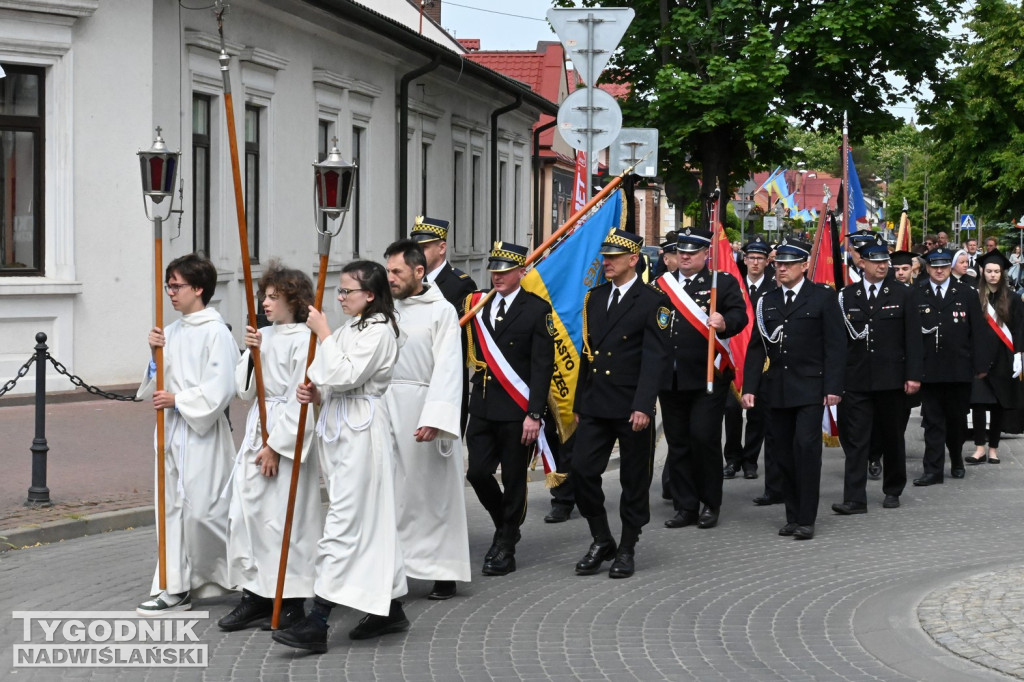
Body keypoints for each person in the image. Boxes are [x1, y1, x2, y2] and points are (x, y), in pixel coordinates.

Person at [272, 261, 408, 653]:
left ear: (370, 294)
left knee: (343, 522)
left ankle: (317, 620)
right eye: (340, 290)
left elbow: (348, 375)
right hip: (340, 427)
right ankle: (390, 609)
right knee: (365, 520)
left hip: (362, 433)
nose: (341, 297)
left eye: (348, 291)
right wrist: (316, 395)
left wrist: (324, 333)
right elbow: (328, 376)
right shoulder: (354, 327)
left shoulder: (380, 331)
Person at [220, 263, 323, 633]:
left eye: (273, 297)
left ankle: (290, 599)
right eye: (264, 296)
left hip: (284, 434)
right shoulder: (265, 336)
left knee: (283, 522)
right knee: (246, 515)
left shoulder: (305, 340)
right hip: (256, 433)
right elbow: (246, 391)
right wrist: (251, 355)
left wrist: (277, 447)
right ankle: (255, 594)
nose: (265, 303)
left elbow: (303, 400)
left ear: (294, 301)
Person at [136, 254, 237, 616]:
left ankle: (244, 573)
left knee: (204, 512)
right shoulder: (172, 331)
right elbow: (155, 380)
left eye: (176, 285)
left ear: (199, 288)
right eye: (168, 285)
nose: (170, 292)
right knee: (171, 509)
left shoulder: (216, 332)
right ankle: (173, 585)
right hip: (171, 430)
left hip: (202, 432)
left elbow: (222, 387)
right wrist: (154, 355)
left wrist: (179, 400)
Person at [572, 228, 667, 578]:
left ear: (632, 260)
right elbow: (587, 352)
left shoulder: (652, 301)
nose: (606, 262)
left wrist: (644, 405)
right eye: (605, 256)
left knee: (633, 480)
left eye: (613, 257)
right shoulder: (594, 298)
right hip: (596, 402)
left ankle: (627, 545)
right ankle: (601, 537)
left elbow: (655, 358)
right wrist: (580, 402)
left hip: (631, 406)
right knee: (581, 471)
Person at [382, 239, 471, 600]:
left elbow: (450, 367)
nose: (389, 278)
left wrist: (436, 416)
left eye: (397, 272)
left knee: (432, 495)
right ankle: (393, 568)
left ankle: (443, 571)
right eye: (387, 271)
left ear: (419, 272)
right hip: (386, 409)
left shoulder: (442, 311)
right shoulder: (384, 309)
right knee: (393, 496)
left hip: (424, 410)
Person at [741, 237, 846, 541]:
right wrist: (750, 386)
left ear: (804, 266)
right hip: (777, 389)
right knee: (783, 454)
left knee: (807, 449)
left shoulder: (822, 298)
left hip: (811, 388)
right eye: (779, 264)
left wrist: (834, 387)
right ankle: (791, 514)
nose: (781, 269)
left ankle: (806, 517)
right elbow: (757, 348)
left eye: (788, 264)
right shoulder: (767, 301)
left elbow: (836, 346)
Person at [463, 242, 555, 576]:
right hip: (484, 404)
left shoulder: (536, 309)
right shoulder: (479, 303)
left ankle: (505, 545)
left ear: (522, 272)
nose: (497, 276)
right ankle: (507, 524)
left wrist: (535, 414)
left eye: (505, 270)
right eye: (494, 270)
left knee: (515, 478)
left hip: (517, 409)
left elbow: (543, 366)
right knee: (477, 473)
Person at [657, 228, 747, 531]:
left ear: (705, 254)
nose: (685, 256)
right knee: (679, 442)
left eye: (692, 252)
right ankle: (686, 506)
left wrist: (724, 322)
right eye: (681, 251)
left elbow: (740, 315)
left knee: (703, 438)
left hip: (707, 376)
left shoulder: (720, 283)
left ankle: (711, 502)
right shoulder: (661, 286)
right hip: (670, 378)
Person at [832, 236, 922, 515]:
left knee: (892, 435)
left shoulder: (904, 293)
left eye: (886, 261)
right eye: (877, 261)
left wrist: (913, 375)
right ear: (862, 263)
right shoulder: (847, 295)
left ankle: (893, 489)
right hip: (856, 378)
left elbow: (914, 339)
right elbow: (839, 342)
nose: (883, 266)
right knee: (856, 440)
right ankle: (855, 498)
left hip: (891, 378)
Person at [911, 248, 990, 487]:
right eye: (934, 266)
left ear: (949, 268)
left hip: (958, 369)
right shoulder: (917, 293)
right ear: (927, 268)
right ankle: (932, 470)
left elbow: (977, 331)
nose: (939, 270)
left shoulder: (966, 293)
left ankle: (956, 459)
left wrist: (981, 365)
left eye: (943, 266)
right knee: (933, 422)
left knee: (956, 421)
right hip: (929, 368)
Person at [411, 215, 478, 434]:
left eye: (424, 247)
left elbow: (459, 338)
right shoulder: (408, 282)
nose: (417, 254)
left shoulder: (460, 284)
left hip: (443, 371)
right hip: (414, 371)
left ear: (441, 248)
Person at [724, 235, 777, 490]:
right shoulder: (733, 284)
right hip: (734, 356)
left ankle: (750, 461)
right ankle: (732, 458)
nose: (755, 263)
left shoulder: (774, 286)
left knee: (757, 413)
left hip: (761, 358)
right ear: (744, 260)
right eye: (751, 258)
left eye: (760, 258)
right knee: (732, 412)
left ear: (768, 261)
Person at [967, 250, 1024, 465]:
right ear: (983, 272)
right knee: (979, 403)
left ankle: (993, 448)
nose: (992, 275)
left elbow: (1019, 328)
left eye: (996, 271)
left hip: (1003, 357)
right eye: (989, 271)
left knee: (1000, 404)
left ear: (1002, 274)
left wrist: (1019, 353)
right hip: (979, 357)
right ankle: (979, 447)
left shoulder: (1014, 299)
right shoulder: (973, 296)